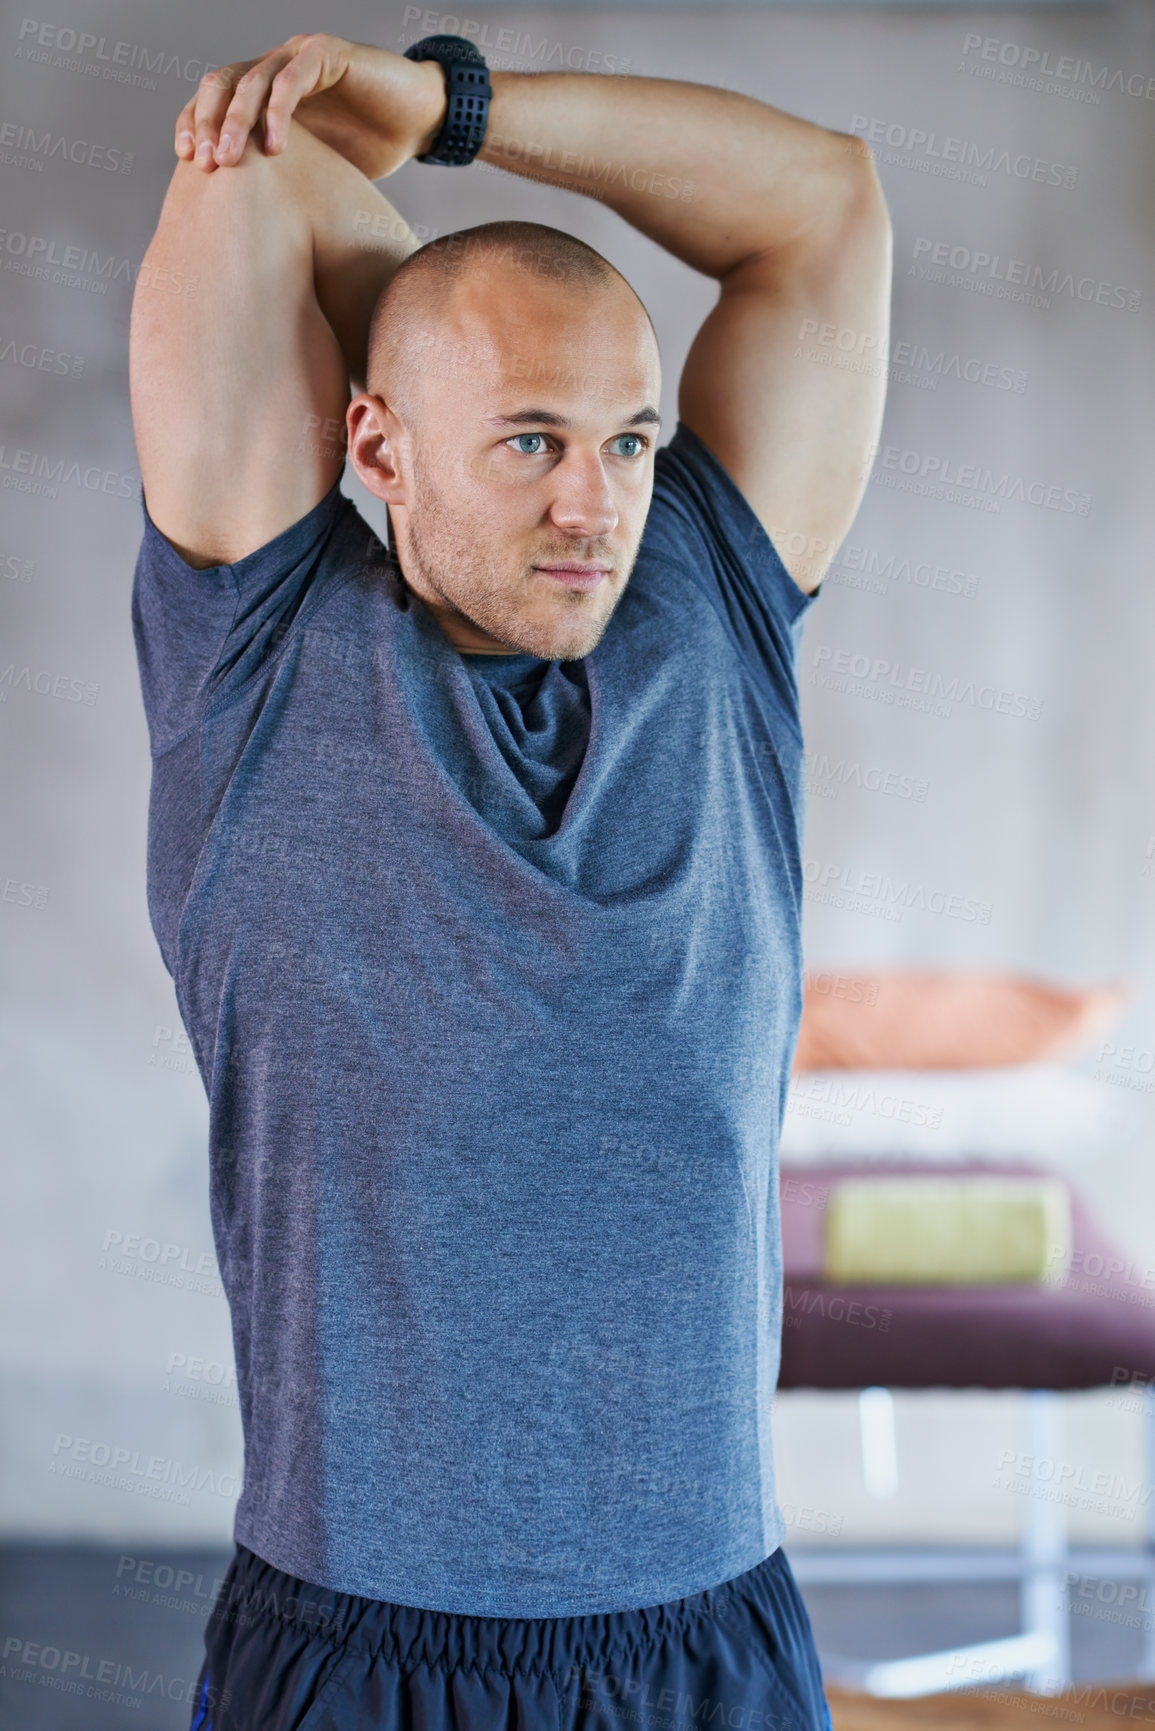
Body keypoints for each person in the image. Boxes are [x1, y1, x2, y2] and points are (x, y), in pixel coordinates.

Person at [128, 30, 891, 1731]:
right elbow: (246, 172)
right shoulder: (254, 652)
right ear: (373, 447)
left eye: (627, 439)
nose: (595, 505)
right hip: (359, 1655)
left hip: (709, 1642)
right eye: (529, 440)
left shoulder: (714, 600)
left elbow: (827, 204)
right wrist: (414, 257)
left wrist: (456, 116)